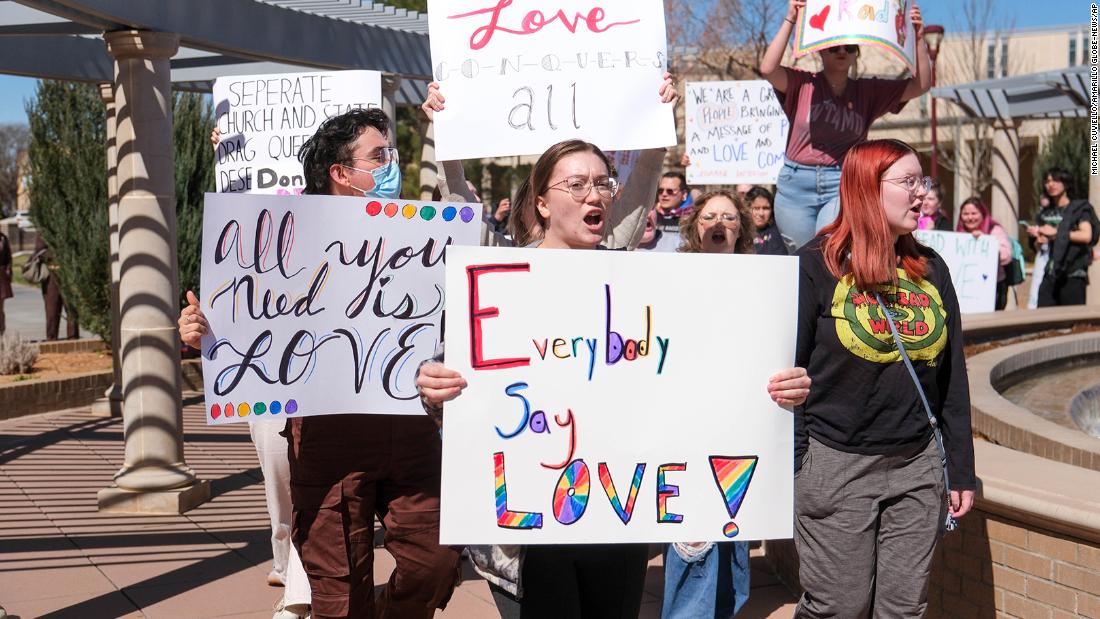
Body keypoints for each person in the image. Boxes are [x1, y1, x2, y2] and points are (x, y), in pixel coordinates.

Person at [416, 138, 810, 619]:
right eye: (576, 184)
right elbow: (451, 378)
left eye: (602, 183)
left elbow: (703, 371)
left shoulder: (643, 284)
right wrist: (436, 389)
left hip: (619, 519)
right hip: (526, 534)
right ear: (541, 201)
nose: (594, 195)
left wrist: (771, 386)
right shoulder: (501, 279)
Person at [183, 108, 463, 619]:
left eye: (392, 156)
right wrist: (204, 330)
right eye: (379, 157)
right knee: (336, 590)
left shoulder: (418, 235)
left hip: (409, 425)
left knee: (437, 559)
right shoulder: (286, 241)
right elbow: (247, 312)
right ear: (340, 173)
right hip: (325, 434)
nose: (390, 167)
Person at [793, 139, 975, 617]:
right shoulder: (816, 266)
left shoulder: (932, 269)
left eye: (923, 182)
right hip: (836, 465)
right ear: (866, 189)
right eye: (907, 182)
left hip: (917, 465)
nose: (921, 194)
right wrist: (800, 467)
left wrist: (960, 468)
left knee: (903, 608)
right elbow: (786, 374)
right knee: (838, 607)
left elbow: (952, 378)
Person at [661, 189, 764, 619]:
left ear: (741, 228)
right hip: (687, 421)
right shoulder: (672, 276)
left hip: (740, 422)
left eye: (728, 216)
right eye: (709, 217)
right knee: (694, 536)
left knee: (731, 531)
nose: (719, 222)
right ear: (695, 227)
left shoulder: (763, 283)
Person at [760, 0, 931, 249]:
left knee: (832, 250)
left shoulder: (868, 91)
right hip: (796, 184)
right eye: (834, 47)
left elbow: (921, 86)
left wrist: (918, 37)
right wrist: (790, 19)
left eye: (849, 47)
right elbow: (767, 69)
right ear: (819, 49)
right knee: (802, 258)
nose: (842, 51)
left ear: (856, 53)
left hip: (842, 181)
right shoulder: (802, 83)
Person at [1028, 167, 1099, 307]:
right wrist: (1039, 241)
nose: (1051, 184)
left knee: (1072, 323)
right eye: (1047, 181)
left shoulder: (1079, 209)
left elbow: (1086, 236)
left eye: (1056, 180)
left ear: (1066, 183)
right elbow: (1039, 248)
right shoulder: (1045, 214)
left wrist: (1056, 233)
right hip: (1050, 273)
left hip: (1072, 273)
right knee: (1044, 319)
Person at [955, 197, 1012, 310]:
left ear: (983, 214)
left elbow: (1006, 256)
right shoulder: (959, 233)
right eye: (965, 214)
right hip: (966, 289)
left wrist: (985, 241)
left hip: (994, 288)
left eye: (974, 213)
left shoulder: (994, 230)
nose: (970, 217)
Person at [35, 236, 78, 340]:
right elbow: (40, 252)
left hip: (69, 275)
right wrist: (59, 254)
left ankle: (73, 339)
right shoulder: (44, 229)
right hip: (51, 276)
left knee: (71, 309)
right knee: (52, 310)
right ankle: (52, 339)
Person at [746, 186, 789, 255]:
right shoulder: (740, 234)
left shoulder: (780, 234)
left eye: (766, 208)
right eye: (756, 208)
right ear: (747, 209)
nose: (761, 213)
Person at [0, 231, 11, 335]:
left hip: (1, 277)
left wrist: (8, 273)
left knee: (0, 309)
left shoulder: (3, 238)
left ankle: (1, 333)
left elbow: (8, 259)